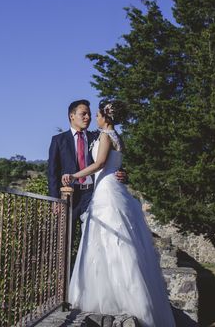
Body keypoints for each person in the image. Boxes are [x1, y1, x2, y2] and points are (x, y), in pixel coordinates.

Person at [62, 101, 175, 327]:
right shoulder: (116, 136)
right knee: (117, 243)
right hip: (112, 188)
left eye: (96, 114)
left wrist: (74, 176)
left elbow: (101, 163)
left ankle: (114, 298)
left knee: (109, 242)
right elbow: (114, 164)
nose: (93, 117)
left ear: (105, 115)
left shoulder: (105, 135)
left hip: (106, 191)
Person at [47, 100, 125, 221]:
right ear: (72, 116)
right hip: (69, 195)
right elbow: (52, 172)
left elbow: (110, 160)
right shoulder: (58, 140)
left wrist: (122, 173)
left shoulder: (98, 136)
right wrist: (55, 199)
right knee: (66, 236)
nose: (88, 117)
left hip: (93, 194)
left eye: (89, 114)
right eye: (83, 114)